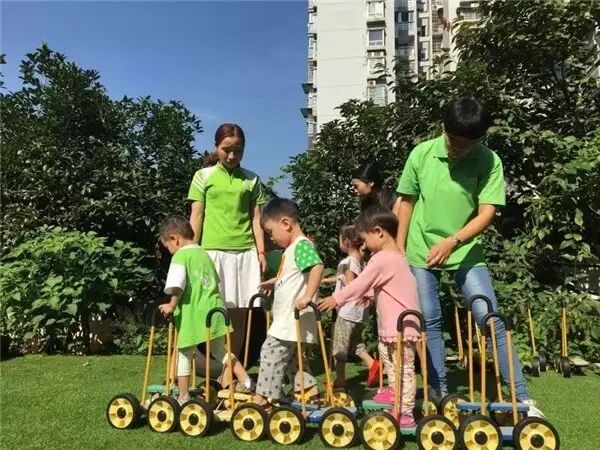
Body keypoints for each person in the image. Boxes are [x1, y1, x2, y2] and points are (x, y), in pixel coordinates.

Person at [395, 97, 543, 417]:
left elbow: (487, 212)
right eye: (454, 140)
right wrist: (398, 250)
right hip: (420, 248)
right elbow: (405, 203)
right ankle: (440, 394)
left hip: (464, 247)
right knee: (430, 318)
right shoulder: (421, 154)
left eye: (468, 143)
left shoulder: (488, 160)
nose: (459, 148)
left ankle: (523, 399)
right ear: (443, 128)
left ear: (479, 139)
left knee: (488, 316)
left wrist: (453, 241)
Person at [319, 206, 420, 428]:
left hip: (401, 326)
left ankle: (405, 413)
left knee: (403, 369)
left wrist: (337, 298)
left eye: (365, 238)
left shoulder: (382, 258)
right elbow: (386, 284)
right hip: (394, 326)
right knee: (390, 362)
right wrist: (370, 294)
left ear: (379, 232)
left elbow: (362, 282)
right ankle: (394, 393)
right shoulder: (396, 257)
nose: (363, 245)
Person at [157, 217, 254, 402]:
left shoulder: (180, 256)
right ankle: (246, 380)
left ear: (174, 239)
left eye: (167, 246)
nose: (169, 250)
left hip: (194, 314)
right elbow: (215, 281)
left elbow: (177, 285)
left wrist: (172, 305)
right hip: (215, 311)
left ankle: (183, 397)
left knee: (184, 354)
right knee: (220, 350)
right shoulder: (204, 254)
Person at [251, 198, 324, 406]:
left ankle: (264, 398)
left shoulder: (301, 245)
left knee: (270, 353)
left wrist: (308, 296)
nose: (271, 238)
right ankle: (308, 392)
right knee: (293, 359)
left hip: (290, 319)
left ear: (285, 223)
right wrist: (275, 281)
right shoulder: (293, 249)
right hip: (289, 320)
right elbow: (294, 275)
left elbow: (317, 267)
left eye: (271, 231)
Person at [188, 123, 266, 309]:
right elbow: (196, 217)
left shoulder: (252, 179)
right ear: (216, 146)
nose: (231, 156)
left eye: (237, 151)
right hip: (212, 252)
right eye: (226, 149)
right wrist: (192, 252)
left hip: (246, 253)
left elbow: (257, 219)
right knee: (213, 308)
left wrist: (261, 252)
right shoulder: (202, 176)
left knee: (246, 309)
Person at [321, 224, 379, 388]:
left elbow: (350, 285)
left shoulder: (347, 262)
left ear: (346, 241)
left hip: (347, 312)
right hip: (360, 312)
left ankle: (340, 381)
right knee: (355, 344)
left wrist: (335, 298)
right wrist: (330, 280)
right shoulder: (360, 261)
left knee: (339, 348)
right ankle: (373, 365)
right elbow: (350, 280)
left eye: (340, 239)